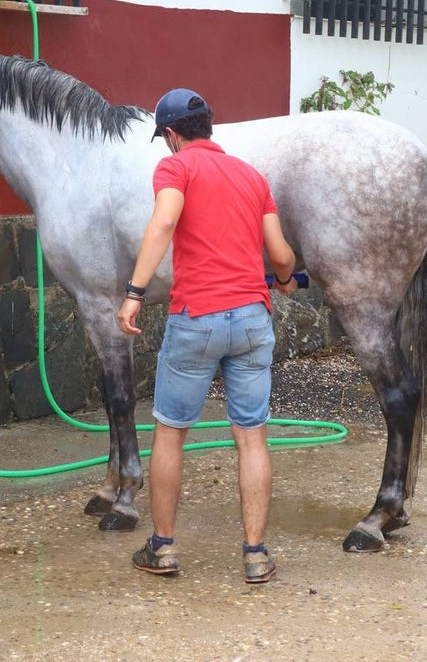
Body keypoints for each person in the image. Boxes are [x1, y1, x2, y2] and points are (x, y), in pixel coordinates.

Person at [117, 88, 297, 585]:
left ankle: (163, 549)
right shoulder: (251, 175)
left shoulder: (175, 169)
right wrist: (283, 280)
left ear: (172, 135)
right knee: (251, 434)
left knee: (172, 430)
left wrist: (134, 293)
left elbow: (165, 220)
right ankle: (256, 555)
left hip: (197, 318)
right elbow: (281, 256)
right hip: (253, 320)